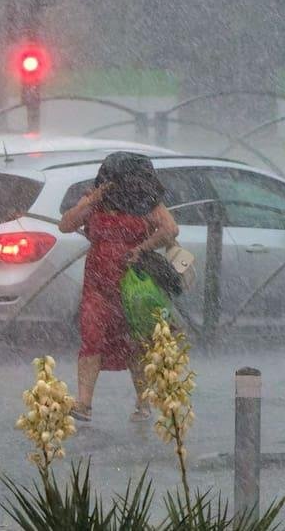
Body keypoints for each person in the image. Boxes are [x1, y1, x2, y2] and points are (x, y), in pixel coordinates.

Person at [59, 152, 179, 423]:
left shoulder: (146, 201)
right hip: (97, 284)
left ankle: (143, 402)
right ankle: (84, 403)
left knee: (136, 342)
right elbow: (66, 224)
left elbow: (170, 229)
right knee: (91, 337)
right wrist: (90, 202)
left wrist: (140, 249)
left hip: (131, 284)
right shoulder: (95, 199)